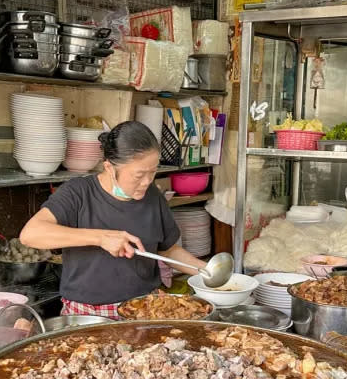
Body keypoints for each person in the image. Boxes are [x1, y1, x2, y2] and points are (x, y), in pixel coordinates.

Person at [20, 121, 207, 318]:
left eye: (152, 172)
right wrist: (101, 238)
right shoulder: (78, 194)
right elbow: (31, 234)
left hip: (145, 309)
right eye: (139, 175)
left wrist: (207, 272)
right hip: (88, 315)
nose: (147, 182)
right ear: (109, 168)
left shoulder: (153, 197)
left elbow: (168, 250)